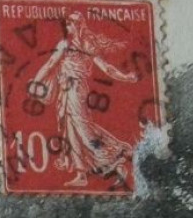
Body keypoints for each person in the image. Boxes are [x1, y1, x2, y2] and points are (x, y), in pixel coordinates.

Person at [27, 10, 143, 190]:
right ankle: (82, 173)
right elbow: (50, 64)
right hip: (66, 91)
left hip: (76, 90)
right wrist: (36, 81)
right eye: (67, 24)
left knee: (83, 129)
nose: (68, 27)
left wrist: (125, 77)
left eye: (71, 23)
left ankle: (118, 156)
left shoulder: (85, 45)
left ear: (79, 25)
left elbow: (106, 68)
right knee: (71, 128)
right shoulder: (65, 44)